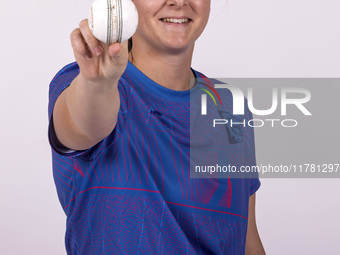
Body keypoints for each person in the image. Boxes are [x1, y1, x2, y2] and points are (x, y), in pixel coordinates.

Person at [48, 0, 265, 254]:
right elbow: (84, 124)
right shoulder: (88, 83)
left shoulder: (230, 106)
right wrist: (98, 86)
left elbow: (247, 241)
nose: (178, 2)